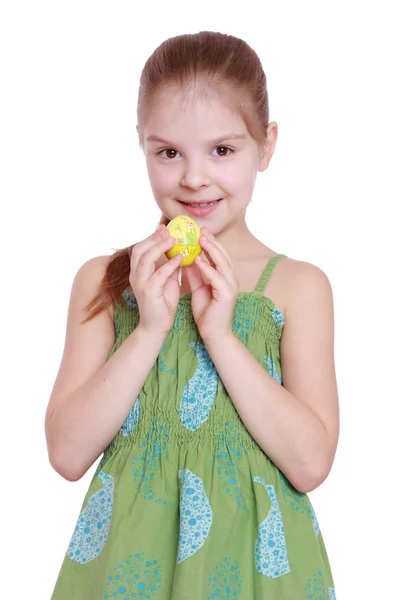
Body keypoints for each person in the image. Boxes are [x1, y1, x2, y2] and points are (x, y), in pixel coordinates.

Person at [46, 30, 339, 600]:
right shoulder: (105, 281)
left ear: (267, 145)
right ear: (143, 145)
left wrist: (220, 334)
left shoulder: (299, 287)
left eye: (223, 151)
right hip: (128, 566)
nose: (194, 177)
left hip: (257, 573)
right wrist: (151, 327)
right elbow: (66, 453)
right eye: (169, 152)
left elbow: (310, 463)